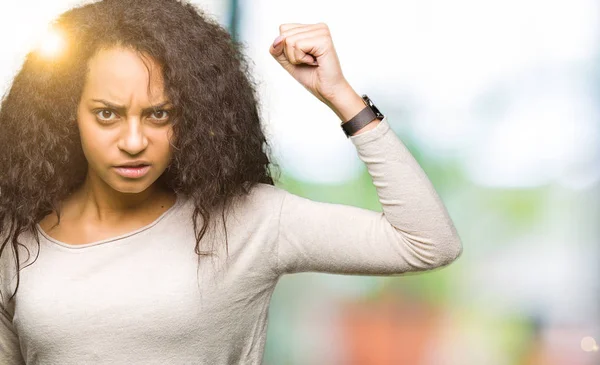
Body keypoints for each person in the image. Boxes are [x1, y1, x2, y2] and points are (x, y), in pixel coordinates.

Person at [0, 0, 463, 363]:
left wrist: (341, 96)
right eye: (108, 114)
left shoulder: (251, 220)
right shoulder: (14, 240)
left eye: (159, 114)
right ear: (69, 115)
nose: (134, 140)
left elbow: (427, 242)